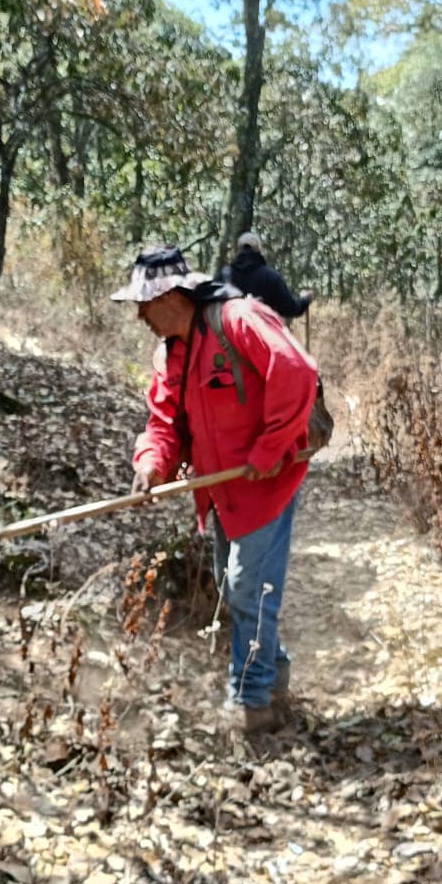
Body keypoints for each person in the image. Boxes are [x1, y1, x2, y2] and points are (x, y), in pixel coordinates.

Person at [111, 244, 320, 735]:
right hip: (220, 492)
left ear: (171, 296)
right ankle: (275, 680)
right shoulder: (169, 356)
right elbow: (163, 423)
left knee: (249, 588)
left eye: (144, 304)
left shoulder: (240, 319)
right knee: (237, 589)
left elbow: (296, 374)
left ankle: (251, 704)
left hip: (268, 484)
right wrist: (152, 463)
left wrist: (268, 451)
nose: (140, 315)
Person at [220, 231, 312, 321]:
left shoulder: (224, 276)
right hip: (262, 334)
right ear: (259, 249)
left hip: (229, 335)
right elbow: (289, 309)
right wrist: (305, 300)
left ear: (238, 250)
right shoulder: (271, 276)